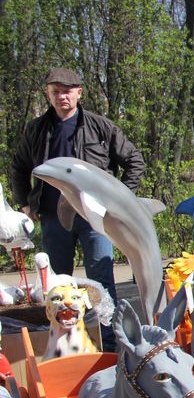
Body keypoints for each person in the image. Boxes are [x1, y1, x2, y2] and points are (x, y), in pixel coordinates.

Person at [10, 67, 145, 352]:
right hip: (52, 219)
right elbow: (19, 167)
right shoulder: (35, 130)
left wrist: (119, 200)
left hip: (95, 218)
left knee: (101, 281)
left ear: (79, 93)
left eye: (67, 91)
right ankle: (66, 347)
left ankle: (110, 346)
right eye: (55, 91)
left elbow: (134, 161)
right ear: (48, 94)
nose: (62, 96)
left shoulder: (100, 126)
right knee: (59, 287)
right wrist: (24, 203)